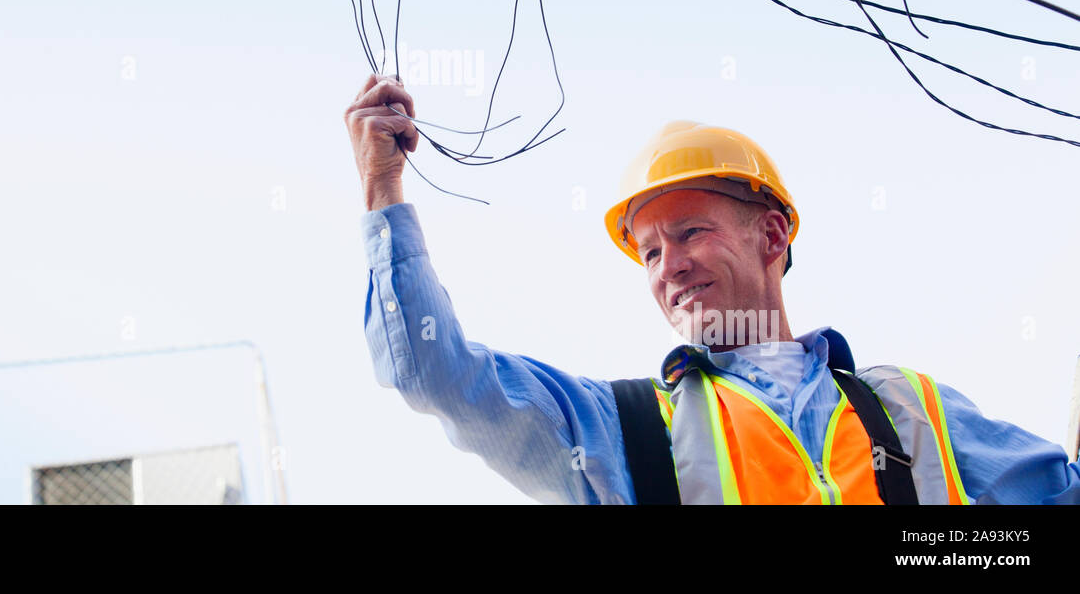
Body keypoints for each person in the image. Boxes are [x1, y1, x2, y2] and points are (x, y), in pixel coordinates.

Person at [344, 72, 1080, 504]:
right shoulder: (624, 430)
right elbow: (436, 374)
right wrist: (383, 188)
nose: (668, 266)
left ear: (771, 235)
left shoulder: (912, 410)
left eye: (691, 232)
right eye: (649, 251)